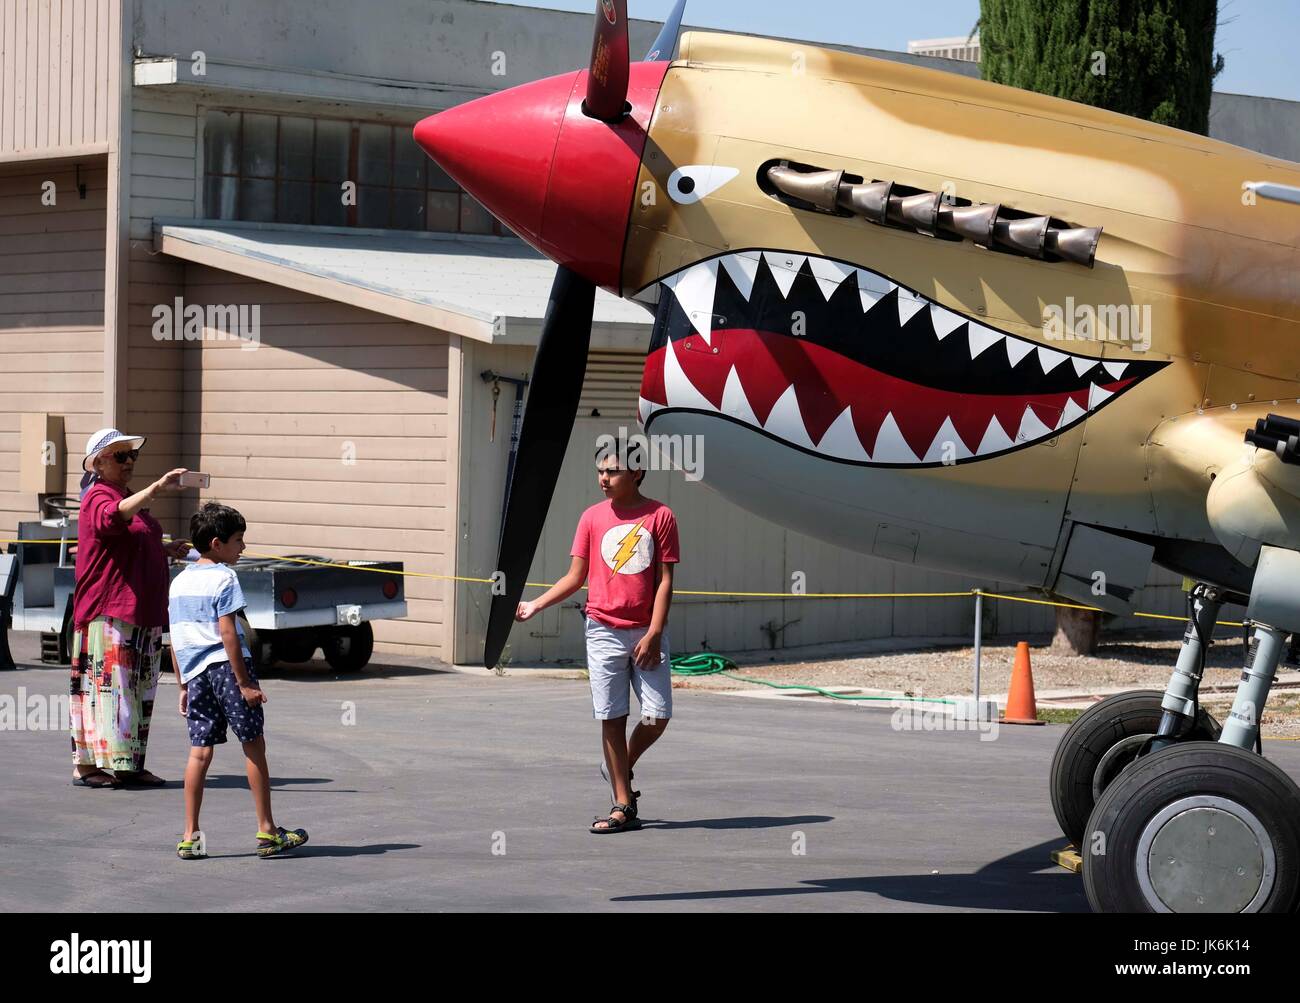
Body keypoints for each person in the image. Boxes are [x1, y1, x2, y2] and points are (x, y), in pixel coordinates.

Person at [516, 445, 679, 833]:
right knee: (612, 717)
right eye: (600, 471)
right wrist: (536, 605)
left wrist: (655, 632)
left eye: (614, 471)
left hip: (646, 632)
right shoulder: (591, 517)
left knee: (657, 716)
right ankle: (622, 804)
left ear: (637, 473)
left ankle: (618, 765)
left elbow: (665, 581)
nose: (604, 478)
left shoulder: (661, 516)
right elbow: (575, 577)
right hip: (602, 630)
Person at [169, 501, 308, 860]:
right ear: (217, 544)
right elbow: (228, 632)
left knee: (199, 752)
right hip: (228, 669)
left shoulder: (179, 581)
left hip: (195, 673)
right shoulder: (225, 577)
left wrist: (183, 685)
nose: (243, 548)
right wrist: (244, 682)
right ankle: (267, 830)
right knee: (253, 745)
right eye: (238, 541)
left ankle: (190, 836)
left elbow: (175, 636)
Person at [70, 428, 190, 789]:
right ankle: (91, 765)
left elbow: (134, 535)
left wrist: (166, 550)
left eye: (131, 456)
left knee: (137, 689)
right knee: (110, 690)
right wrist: (155, 488)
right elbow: (111, 520)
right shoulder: (99, 496)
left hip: (140, 611)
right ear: (99, 462)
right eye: (120, 456)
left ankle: (128, 764)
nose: (128, 462)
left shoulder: (124, 496)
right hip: (111, 610)